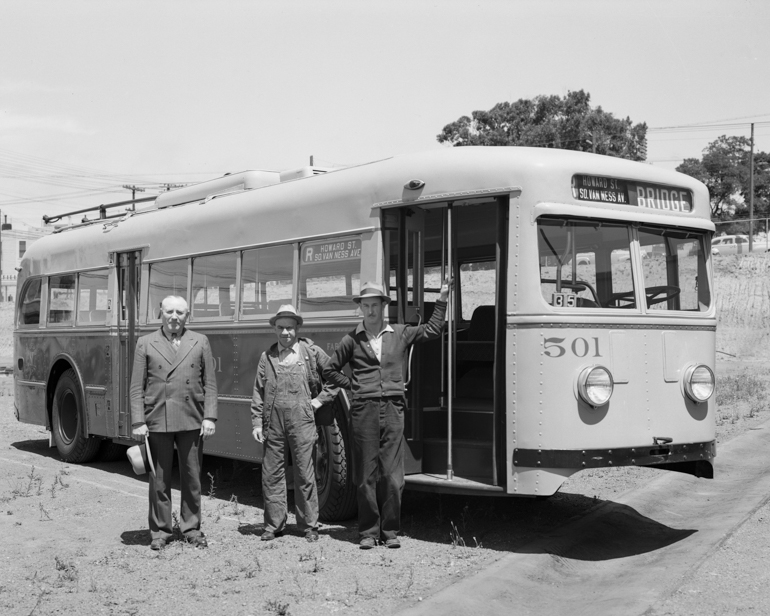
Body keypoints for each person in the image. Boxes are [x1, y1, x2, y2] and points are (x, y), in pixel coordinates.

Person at [328, 278, 450, 549]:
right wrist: (353, 386)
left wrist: (441, 299)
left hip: (394, 408)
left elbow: (432, 330)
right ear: (360, 308)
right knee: (365, 475)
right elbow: (329, 369)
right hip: (363, 410)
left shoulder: (400, 332)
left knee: (393, 476)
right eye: (366, 305)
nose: (370, 310)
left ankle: (390, 532)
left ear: (384, 306)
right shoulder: (351, 339)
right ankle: (368, 532)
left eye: (375, 305)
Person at [130, 295, 218, 550]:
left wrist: (209, 416)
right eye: (169, 311)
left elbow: (210, 383)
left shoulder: (200, 341)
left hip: (191, 418)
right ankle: (160, 531)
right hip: (158, 419)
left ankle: (191, 528)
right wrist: (138, 420)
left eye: (180, 312)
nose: (174, 317)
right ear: (161, 312)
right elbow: (137, 387)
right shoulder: (145, 343)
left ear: (187, 316)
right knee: (159, 479)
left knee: (192, 478)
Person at [250, 304, 342, 542]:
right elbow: (258, 392)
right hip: (273, 420)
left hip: (303, 419)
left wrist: (319, 401)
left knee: (305, 473)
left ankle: (309, 525)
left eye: (290, 328)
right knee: (272, 473)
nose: (285, 333)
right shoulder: (266, 357)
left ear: (297, 328)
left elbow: (335, 375)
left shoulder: (310, 352)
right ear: (274, 329)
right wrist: (256, 423)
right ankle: (274, 525)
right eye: (280, 328)